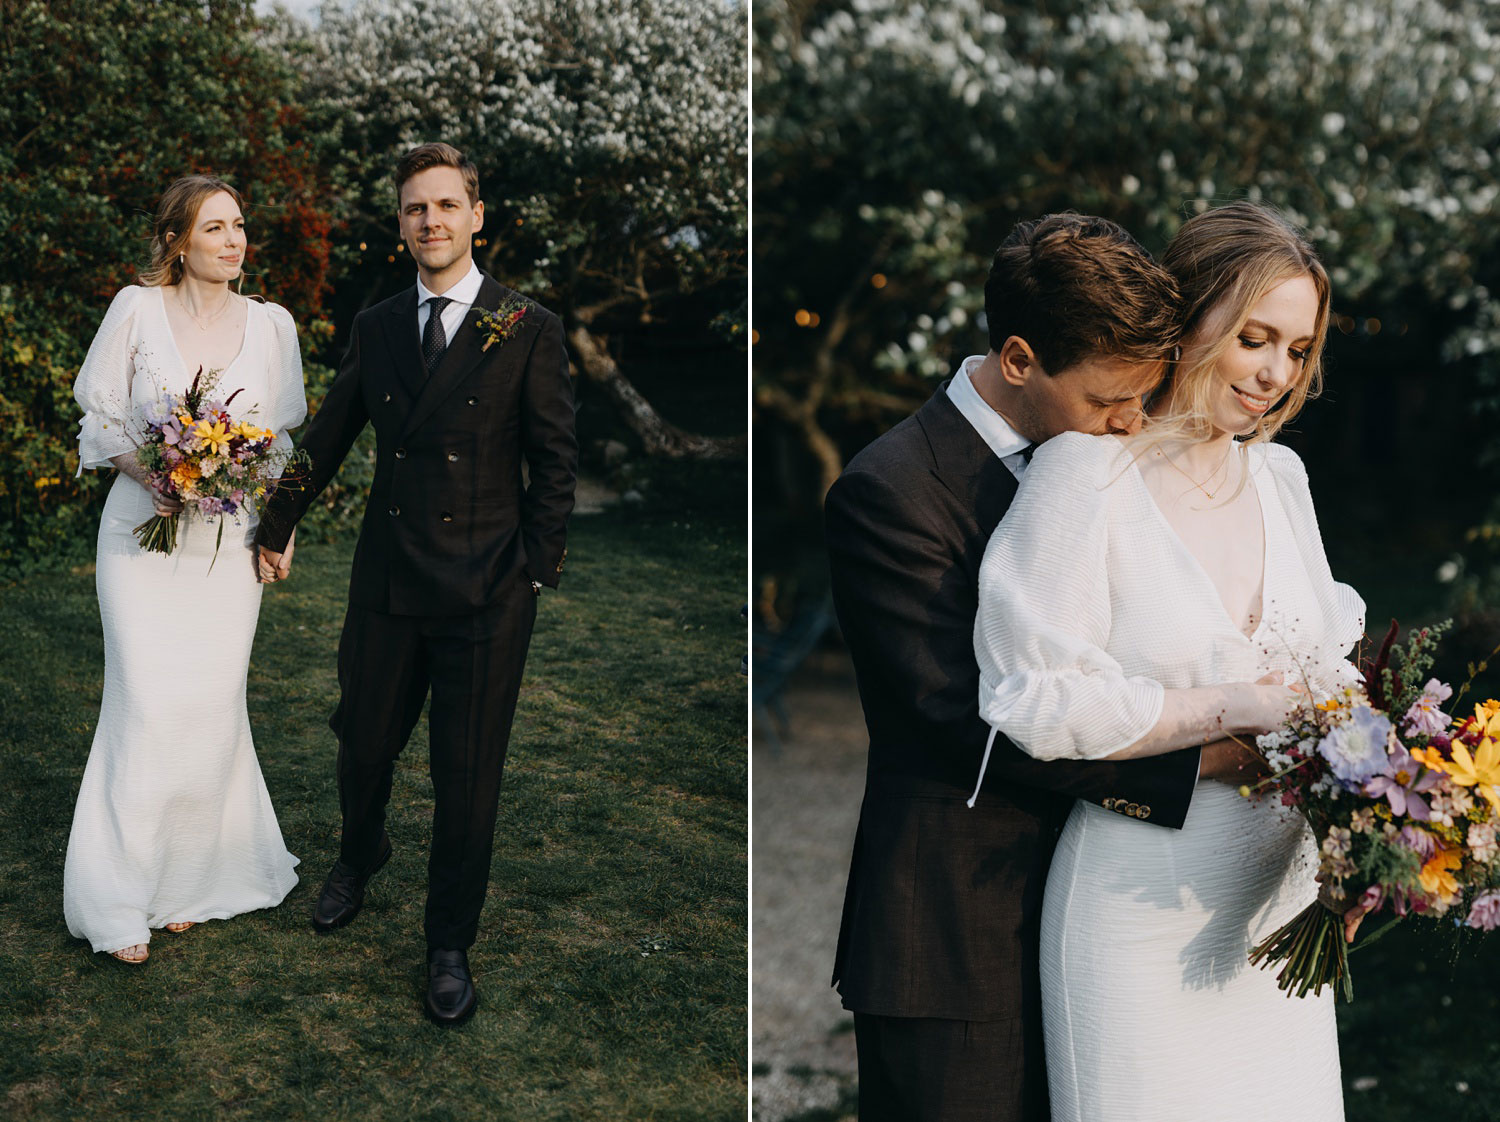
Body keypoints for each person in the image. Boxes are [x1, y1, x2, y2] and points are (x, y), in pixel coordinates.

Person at [824, 213, 1267, 1121]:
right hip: (960, 931)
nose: (1132, 422)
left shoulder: (1115, 460)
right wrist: (1210, 759)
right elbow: (968, 723)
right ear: (1020, 360)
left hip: (1107, 922)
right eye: (1111, 399)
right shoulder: (892, 491)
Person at [973, 201, 1361, 1121]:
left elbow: (1336, 680)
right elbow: (1034, 698)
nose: (1274, 373)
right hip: (1136, 913)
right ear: (1191, 325)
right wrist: (1230, 708)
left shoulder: (1283, 479)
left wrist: (1369, 826)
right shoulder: (1085, 475)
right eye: (1254, 337)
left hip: (1279, 913)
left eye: (1297, 350)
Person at [253, 142, 578, 1025]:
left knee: (467, 775)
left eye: (444, 206)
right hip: (389, 582)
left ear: (477, 216)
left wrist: (534, 573)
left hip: (486, 594)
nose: (429, 221)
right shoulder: (381, 325)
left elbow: (554, 464)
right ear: (401, 226)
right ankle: (360, 853)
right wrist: (275, 520)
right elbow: (325, 435)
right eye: (413, 209)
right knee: (361, 743)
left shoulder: (529, 326)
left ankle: (448, 944)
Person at [66, 175, 305, 964]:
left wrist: (282, 528)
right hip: (142, 537)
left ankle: (193, 881)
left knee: (208, 704)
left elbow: (280, 444)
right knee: (144, 703)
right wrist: (161, 476)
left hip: (227, 548)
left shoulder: (272, 326)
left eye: (240, 225)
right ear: (177, 240)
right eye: (216, 228)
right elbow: (99, 416)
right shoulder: (136, 310)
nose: (235, 240)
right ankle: (121, 898)